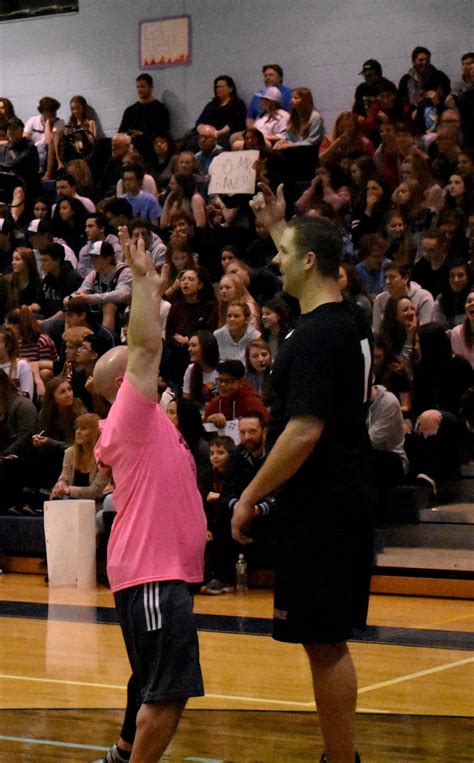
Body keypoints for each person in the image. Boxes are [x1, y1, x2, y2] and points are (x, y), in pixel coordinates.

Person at [231, 183, 374, 763]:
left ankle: (342, 760)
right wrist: (277, 223)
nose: (275, 261)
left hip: (325, 506)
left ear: (310, 261)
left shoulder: (316, 337)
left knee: (324, 642)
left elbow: (303, 431)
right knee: (324, 640)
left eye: (285, 253)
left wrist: (249, 495)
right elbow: (305, 263)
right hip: (341, 497)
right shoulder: (348, 319)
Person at [92, 236, 206, 762]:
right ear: (123, 383)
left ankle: (120, 754)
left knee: (150, 679)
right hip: (152, 574)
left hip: (155, 572)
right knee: (168, 691)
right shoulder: (129, 415)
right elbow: (144, 347)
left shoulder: (149, 420)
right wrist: (142, 281)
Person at [118, 73, 170, 141]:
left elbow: (163, 134)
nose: (139, 90)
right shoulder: (130, 110)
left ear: (151, 87)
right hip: (131, 147)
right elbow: (121, 133)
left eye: (142, 86)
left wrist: (141, 134)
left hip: (150, 147)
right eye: (137, 87)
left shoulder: (160, 110)